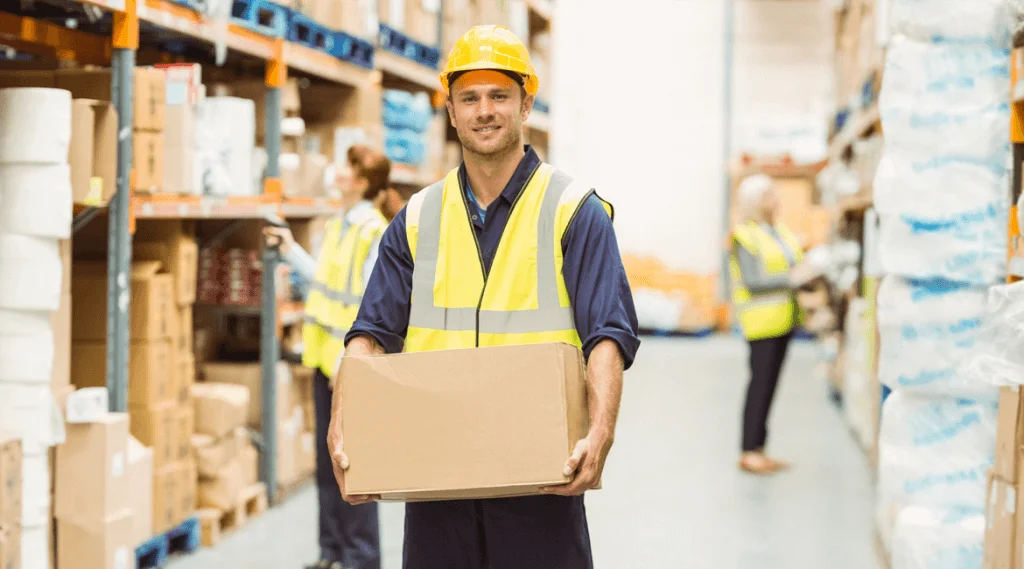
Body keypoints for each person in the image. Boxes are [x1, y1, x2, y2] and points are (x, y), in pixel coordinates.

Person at [327, 25, 641, 569]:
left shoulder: (573, 210)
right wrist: (344, 419)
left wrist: (601, 429)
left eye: (499, 95)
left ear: (526, 103)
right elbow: (369, 336)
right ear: (450, 111)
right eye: (469, 97)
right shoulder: (418, 219)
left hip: (541, 478)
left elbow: (607, 334)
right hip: (437, 481)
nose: (484, 110)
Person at [264, 144, 398, 569]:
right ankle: (332, 551)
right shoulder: (340, 226)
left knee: (353, 463)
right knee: (327, 462)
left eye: (346, 168)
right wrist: (288, 248)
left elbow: (368, 306)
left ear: (360, 181)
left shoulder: (372, 232)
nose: (337, 174)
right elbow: (325, 283)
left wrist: (350, 366)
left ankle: (361, 557)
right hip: (326, 362)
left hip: (349, 367)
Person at [728, 174, 809, 476]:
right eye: (771, 196)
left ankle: (760, 449)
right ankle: (748, 451)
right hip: (762, 323)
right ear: (758, 203)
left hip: (784, 320)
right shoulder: (744, 236)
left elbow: (793, 262)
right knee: (759, 386)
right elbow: (754, 281)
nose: (778, 201)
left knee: (769, 386)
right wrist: (795, 278)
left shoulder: (779, 232)